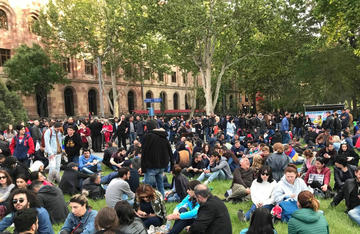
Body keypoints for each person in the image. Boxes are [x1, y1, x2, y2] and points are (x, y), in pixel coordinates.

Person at [141, 119, 173, 197]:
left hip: (151, 165)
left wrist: (143, 167)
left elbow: (144, 152)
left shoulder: (147, 136)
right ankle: (161, 200)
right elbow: (170, 150)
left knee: (148, 187)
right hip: (162, 165)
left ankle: (148, 202)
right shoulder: (163, 136)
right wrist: (172, 164)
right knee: (160, 184)